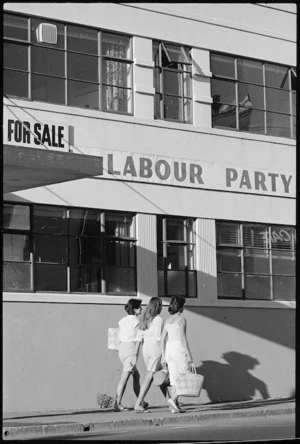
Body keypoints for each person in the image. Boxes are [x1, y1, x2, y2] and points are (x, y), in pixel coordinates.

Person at [134, 297, 170, 413]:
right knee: (150, 375)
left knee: (159, 377)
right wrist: (164, 355)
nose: (162, 308)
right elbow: (160, 338)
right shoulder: (158, 319)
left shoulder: (144, 319)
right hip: (155, 349)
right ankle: (138, 403)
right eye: (160, 305)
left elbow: (139, 337)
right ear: (157, 306)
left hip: (146, 349)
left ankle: (171, 402)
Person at [161, 296, 193, 413]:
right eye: (183, 305)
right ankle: (173, 400)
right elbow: (183, 339)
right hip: (178, 348)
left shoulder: (168, 320)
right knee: (183, 376)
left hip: (169, 349)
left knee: (174, 378)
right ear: (180, 307)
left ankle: (174, 407)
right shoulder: (181, 320)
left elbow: (162, 339)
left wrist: (163, 356)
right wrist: (189, 355)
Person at [114, 298, 147, 412]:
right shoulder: (136, 321)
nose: (141, 309)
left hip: (122, 349)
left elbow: (118, 334)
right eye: (140, 307)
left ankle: (140, 400)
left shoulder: (122, 320)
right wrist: (136, 353)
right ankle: (117, 403)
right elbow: (139, 338)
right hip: (130, 349)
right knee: (125, 377)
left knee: (136, 376)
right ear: (135, 309)